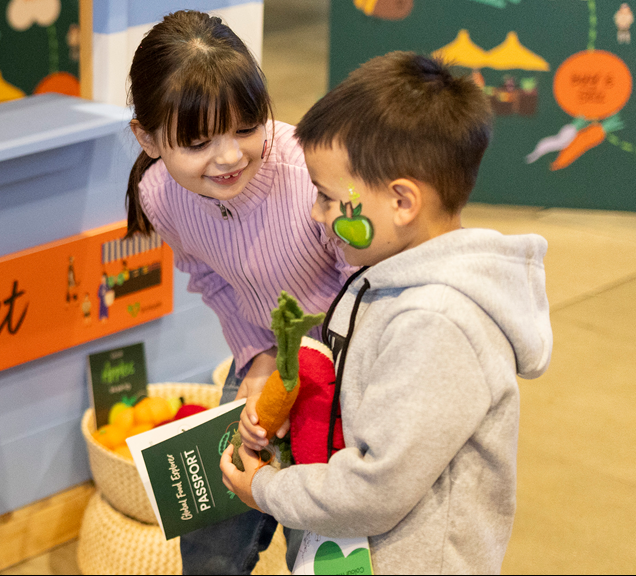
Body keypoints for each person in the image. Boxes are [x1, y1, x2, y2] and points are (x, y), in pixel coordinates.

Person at [222, 51, 553, 574]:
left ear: (402, 201)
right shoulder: (381, 272)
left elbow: (377, 486)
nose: (317, 213)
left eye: (329, 198)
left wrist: (267, 489)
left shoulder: (438, 323)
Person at [124, 10, 354, 575]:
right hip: (264, 357)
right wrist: (256, 358)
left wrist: (312, 382)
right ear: (148, 139)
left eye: (246, 128)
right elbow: (211, 278)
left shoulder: (311, 171)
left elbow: (367, 289)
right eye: (199, 141)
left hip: (344, 376)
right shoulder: (160, 194)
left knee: (319, 547)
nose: (228, 157)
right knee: (211, 543)